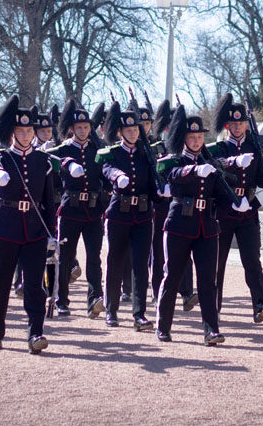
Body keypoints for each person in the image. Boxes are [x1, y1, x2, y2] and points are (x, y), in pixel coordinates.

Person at [155, 105, 245, 346]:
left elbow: (219, 192)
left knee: (208, 281)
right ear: (183, 139)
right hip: (179, 225)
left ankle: (211, 330)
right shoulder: (173, 160)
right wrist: (195, 169)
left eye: (199, 137)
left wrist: (236, 202)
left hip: (207, 227)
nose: (196, 141)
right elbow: (173, 176)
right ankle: (163, 325)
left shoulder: (212, 162)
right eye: (191, 137)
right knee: (172, 276)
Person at [0, 95, 58, 354]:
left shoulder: (43, 161)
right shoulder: (1, 158)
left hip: (34, 230)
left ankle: (36, 332)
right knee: (0, 283)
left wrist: (52, 234)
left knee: (35, 286)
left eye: (29, 131)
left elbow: (48, 202)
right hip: (5, 227)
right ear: (11, 132)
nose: (25, 136)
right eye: (20, 131)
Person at [206, 93, 263, 323]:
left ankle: (259, 303)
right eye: (233, 123)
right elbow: (213, 172)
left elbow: (259, 179)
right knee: (217, 261)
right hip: (223, 210)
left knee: (252, 260)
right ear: (227, 125)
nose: (237, 127)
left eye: (241, 123)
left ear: (246, 125)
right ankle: (213, 307)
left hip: (248, 209)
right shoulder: (217, 149)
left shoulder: (254, 148)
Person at [97, 101, 159, 331]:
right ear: (121, 132)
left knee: (141, 265)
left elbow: (153, 184)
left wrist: (162, 192)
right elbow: (106, 169)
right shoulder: (112, 153)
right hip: (119, 214)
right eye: (129, 130)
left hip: (143, 215)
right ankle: (111, 310)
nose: (133, 133)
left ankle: (139, 313)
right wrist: (116, 176)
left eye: (136, 129)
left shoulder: (146, 153)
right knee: (115, 261)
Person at [46, 99, 105, 318]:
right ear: (71, 128)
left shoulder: (98, 150)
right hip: (70, 210)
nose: (83, 130)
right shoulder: (63, 150)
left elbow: (104, 177)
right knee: (66, 258)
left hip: (93, 210)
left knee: (94, 258)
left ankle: (95, 299)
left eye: (86, 127)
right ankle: (61, 300)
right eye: (79, 127)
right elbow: (56, 167)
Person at [147, 99, 198, 311]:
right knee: (159, 252)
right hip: (160, 206)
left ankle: (187, 292)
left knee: (186, 251)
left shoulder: (186, 152)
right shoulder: (156, 148)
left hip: (183, 206)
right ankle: (159, 291)